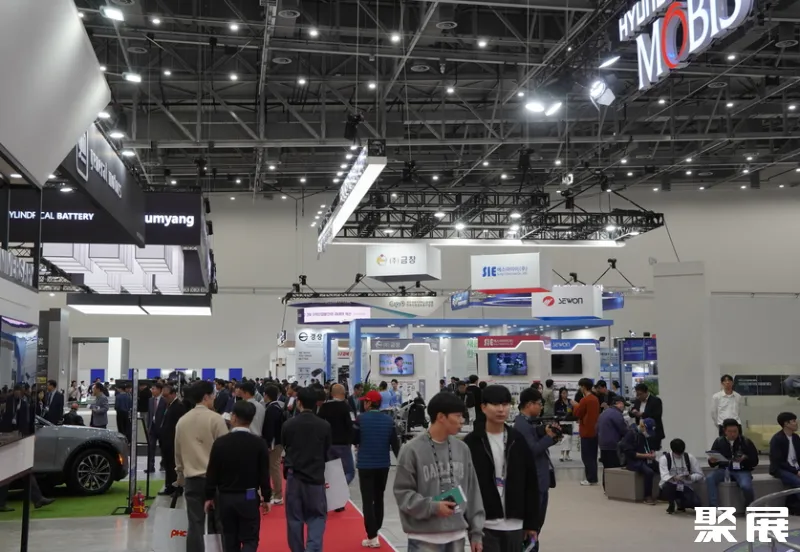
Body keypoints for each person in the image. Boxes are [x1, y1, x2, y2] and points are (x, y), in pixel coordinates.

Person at [394, 392, 485, 552]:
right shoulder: (411, 450)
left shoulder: (462, 449)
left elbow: (472, 492)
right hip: (423, 539)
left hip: (457, 537)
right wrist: (433, 507)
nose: (462, 421)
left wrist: (476, 532)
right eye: (458, 416)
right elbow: (403, 493)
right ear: (441, 417)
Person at [465, 385, 538, 552]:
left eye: (505, 404)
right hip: (484, 523)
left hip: (515, 522)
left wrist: (532, 523)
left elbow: (531, 483)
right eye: (495, 404)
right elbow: (464, 484)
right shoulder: (472, 442)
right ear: (483, 407)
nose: (501, 409)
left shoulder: (517, 440)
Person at [205, 401, 271, 552]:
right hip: (249, 495)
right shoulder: (259, 443)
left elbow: (212, 472)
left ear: (233, 417)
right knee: (250, 538)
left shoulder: (220, 443)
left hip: (226, 496)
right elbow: (264, 473)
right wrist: (266, 497)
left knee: (229, 538)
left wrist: (209, 496)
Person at [175, 381, 229, 551]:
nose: (214, 398)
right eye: (213, 395)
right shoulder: (216, 419)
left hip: (192, 479)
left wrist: (180, 475)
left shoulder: (182, 421)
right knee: (221, 523)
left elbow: (178, 453)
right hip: (216, 480)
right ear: (206, 397)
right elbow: (225, 450)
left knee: (195, 524)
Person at [282, 387, 332, 552]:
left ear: (299, 402)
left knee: (294, 519)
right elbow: (327, 451)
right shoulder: (324, 425)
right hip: (315, 477)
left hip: (294, 476)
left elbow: (286, 447)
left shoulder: (288, 425)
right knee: (317, 516)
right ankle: (313, 548)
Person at [354, 390, 401, 548]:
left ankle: (372, 536)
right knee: (379, 497)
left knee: (367, 500)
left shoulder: (360, 419)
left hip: (365, 465)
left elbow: (354, 438)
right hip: (383, 465)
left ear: (369, 403)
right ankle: (377, 529)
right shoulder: (389, 420)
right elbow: (395, 444)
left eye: (365, 401)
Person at [513, 387, 555, 549]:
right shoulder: (521, 425)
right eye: (539, 403)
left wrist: (544, 432)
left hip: (540, 480)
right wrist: (549, 438)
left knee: (536, 525)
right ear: (529, 404)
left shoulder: (528, 422)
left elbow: (534, 437)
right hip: (535, 481)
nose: (541, 407)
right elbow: (532, 450)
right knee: (532, 526)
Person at [707, 418, 758, 509]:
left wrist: (745, 458)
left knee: (746, 486)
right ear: (725, 431)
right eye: (730, 432)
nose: (733, 434)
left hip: (742, 470)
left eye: (735, 431)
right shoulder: (719, 441)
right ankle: (713, 506)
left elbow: (755, 461)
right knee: (710, 478)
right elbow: (712, 463)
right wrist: (712, 461)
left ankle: (750, 506)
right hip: (724, 469)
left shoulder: (746, 441)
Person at [317, 383, 355, 495]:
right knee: (349, 472)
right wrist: (351, 441)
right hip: (343, 445)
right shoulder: (346, 407)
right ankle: (338, 489)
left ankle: (331, 493)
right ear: (343, 393)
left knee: (331, 472)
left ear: (331, 393)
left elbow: (318, 423)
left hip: (328, 445)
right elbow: (351, 426)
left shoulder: (324, 407)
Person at [658, 438, 703, 514]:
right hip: (670, 485)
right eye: (677, 453)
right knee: (667, 486)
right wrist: (674, 478)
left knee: (696, 503)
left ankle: (680, 503)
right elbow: (664, 476)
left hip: (685, 485)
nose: (679, 455)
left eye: (681, 453)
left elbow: (700, 474)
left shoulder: (689, 457)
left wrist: (690, 477)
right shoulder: (664, 459)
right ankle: (672, 503)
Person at [620, 418, 659, 505]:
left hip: (646, 459)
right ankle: (647, 496)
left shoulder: (646, 436)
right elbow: (630, 453)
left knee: (661, 468)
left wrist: (652, 452)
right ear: (642, 426)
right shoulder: (631, 434)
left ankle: (662, 493)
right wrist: (646, 455)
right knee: (649, 472)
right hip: (634, 461)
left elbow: (650, 447)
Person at [159, 383, 187, 496]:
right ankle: (169, 486)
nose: (164, 398)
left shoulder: (178, 406)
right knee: (168, 465)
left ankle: (177, 488)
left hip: (173, 442)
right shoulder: (169, 405)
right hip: (166, 442)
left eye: (166, 396)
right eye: (163, 396)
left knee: (174, 466)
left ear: (173, 394)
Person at [770, 412, 800, 513]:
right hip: (781, 469)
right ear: (786, 424)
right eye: (793, 421)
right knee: (797, 481)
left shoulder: (796, 438)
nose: (796, 423)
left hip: (795, 467)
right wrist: (796, 471)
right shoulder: (777, 439)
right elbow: (778, 461)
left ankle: (793, 506)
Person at [572, 378, 600, 486]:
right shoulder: (595, 399)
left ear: (583, 387)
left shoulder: (585, 400)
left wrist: (575, 405)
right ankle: (593, 477)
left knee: (586, 457)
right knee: (593, 456)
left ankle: (590, 479)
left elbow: (578, 413)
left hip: (586, 431)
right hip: (594, 430)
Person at [597, 395, 628, 490]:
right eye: (624, 405)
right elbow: (623, 430)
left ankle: (606, 487)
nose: (624, 408)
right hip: (613, 445)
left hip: (603, 444)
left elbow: (596, 428)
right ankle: (615, 488)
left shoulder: (604, 413)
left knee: (606, 467)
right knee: (615, 468)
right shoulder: (616, 414)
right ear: (619, 403)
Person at [262, 384, 286, 505]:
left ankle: (278, 495)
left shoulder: (272, 409)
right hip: (276, 442)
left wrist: (268, 444)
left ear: (266, 395)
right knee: (272, 468)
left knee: (274, 468)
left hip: (274, 444)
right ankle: (275, 493)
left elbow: (270, 429)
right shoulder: (277, 407)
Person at [629, 383, 664, 450]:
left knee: (652, 451)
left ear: (646, 392)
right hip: (640, 432)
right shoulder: (637, 401)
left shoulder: (656, 401)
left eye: (640, 394)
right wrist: (633, 411)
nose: (638, 396)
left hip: (653, 432)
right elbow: (632, 412)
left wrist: (642, 414)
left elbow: (657, 415)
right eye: (637, 394)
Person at [147, 383, 167, 473]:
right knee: (151, 447)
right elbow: (149, 414)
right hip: (152, 427)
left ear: (159, 390)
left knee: (163, 448)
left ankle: (163, 465)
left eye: (154, 389)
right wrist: (148, 426)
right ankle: (150, 467)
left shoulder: (165, 401)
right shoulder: (150, 400)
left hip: (162, 428)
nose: (152, 390)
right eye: (152, 389)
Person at [553, 387, 572, 462]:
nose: (565, 394)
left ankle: (567, 454)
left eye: (566, 393)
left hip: (569, 421)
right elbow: (555, 413)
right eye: (563, 393)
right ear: (560, 394)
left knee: (569, 438)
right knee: (563, 438)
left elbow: (573, 411)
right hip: (561, 422)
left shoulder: (570, 401)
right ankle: (562, 454)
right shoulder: (557, 402)